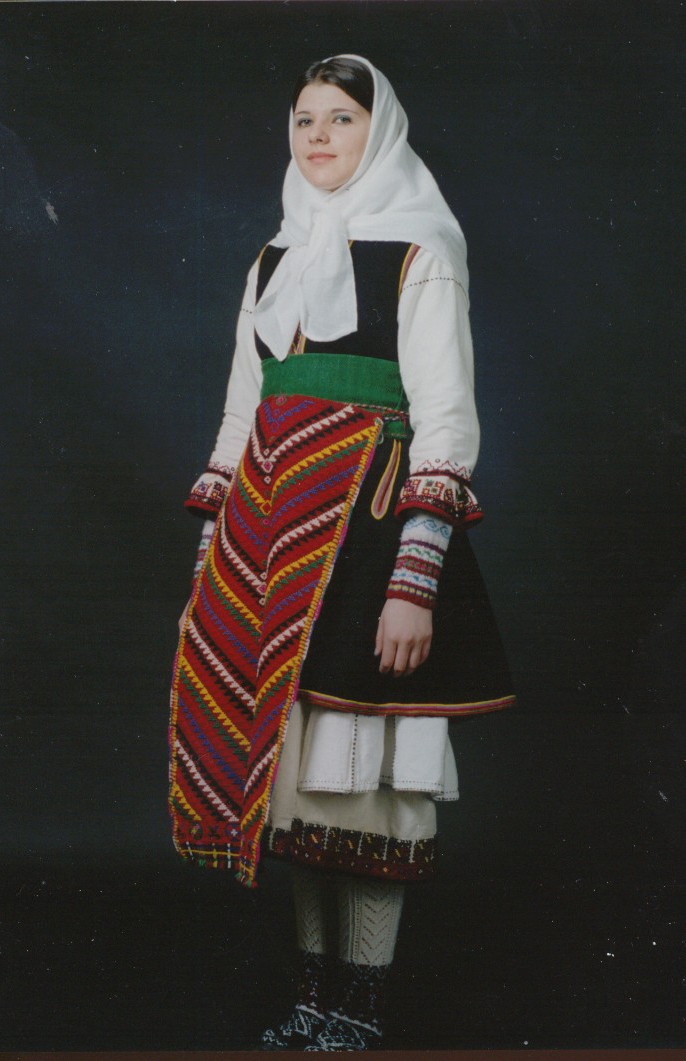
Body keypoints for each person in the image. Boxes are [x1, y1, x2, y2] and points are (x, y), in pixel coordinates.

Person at [169, 54, 514, 1052]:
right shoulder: (272, 260)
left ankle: (357, 1008)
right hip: (273, 539)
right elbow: (241, 411)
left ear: (381, 131)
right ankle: (315, 999)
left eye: (341, 119)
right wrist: (214, 554)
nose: (318, 137)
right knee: (301, 785)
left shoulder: (421, 249)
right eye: (304, 119)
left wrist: (415, 577)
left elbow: (445, 419)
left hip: (369, 535)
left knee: (363, 787)